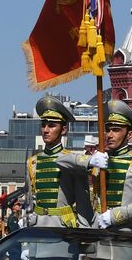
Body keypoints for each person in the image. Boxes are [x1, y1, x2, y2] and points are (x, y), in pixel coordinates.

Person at [86, 100, 132, 230]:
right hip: (97, 228)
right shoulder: (98, 159)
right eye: (107, 130)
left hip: (125, 230)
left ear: (129, 135)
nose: (109, 135)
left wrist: (115, 216)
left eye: (116, 130)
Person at [24, 97, 96, 228]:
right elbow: (29, 201)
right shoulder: (32, 162)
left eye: (51, 125)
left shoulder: (73, 161)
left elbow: (83, 202)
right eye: (43, 125)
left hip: (62, 226)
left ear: (63, 130)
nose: (45, 130)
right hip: (37, 226)